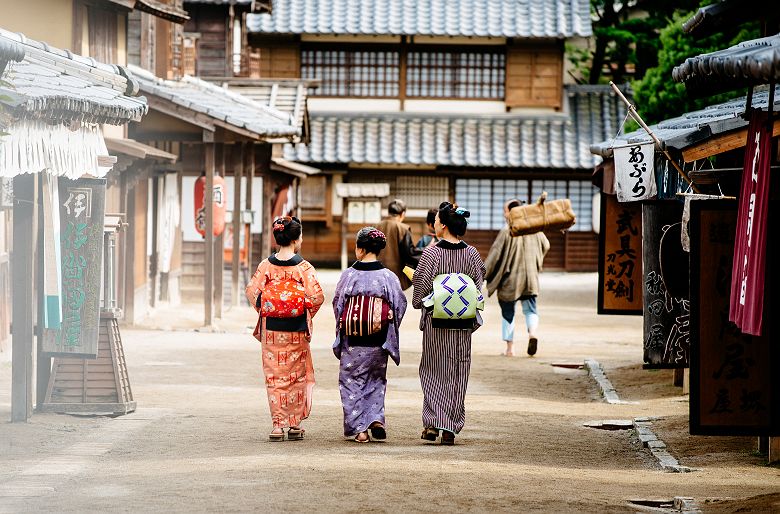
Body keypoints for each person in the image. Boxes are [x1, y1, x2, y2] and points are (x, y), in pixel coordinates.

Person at [245, 216, 325, 442]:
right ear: (297, 239)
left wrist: (268, 308)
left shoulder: (266, 266)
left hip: (272, 331)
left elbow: (252, 291)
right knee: (295, 376)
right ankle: (294, 424)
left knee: (274, 377)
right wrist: (301, 309)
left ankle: (277, 425)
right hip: (297, 327)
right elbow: (317, 297)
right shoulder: (304, 268)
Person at [412, 202, 485, 445]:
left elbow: (420, 287)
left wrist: (420, 303)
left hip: (436, 322)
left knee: (433, 369)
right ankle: (450, 427)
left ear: (442, 225)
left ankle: (434, 421)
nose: (433, 224)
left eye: (435, 221)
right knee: (457, 370)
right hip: (462, 322)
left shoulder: (431, 254)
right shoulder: (472, 254)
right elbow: (478, 283)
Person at [332, 227, 407, 443]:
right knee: (376, 379)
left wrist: (347, 323)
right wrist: (388, 321)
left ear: (361, 249)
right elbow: (399, 304)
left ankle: (360, 429)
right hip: (378, 340)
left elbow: (338, 304)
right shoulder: (388, 277)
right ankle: (375, 418)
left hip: (354, 340)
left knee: (352, 382)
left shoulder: (349, 275)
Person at [484, 199, 550, 357]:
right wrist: (536, 262)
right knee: (531, 309)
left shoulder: (508, 230)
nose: (504, 214)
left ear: (513, 212)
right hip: (530, 279)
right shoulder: (535, 229)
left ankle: (510, 348)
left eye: (505, 210)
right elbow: (546, 245)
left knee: (508, 312)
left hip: (510, 280)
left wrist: (483, 273)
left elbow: (494, 255)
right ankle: (532, 334)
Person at [377, 199, 421, 290]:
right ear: (403, 214)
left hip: (376, 274)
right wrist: (427, 250)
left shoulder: (376, 226)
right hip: (395, 275)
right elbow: (409, 254)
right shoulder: (403, 228)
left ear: (389, 212)